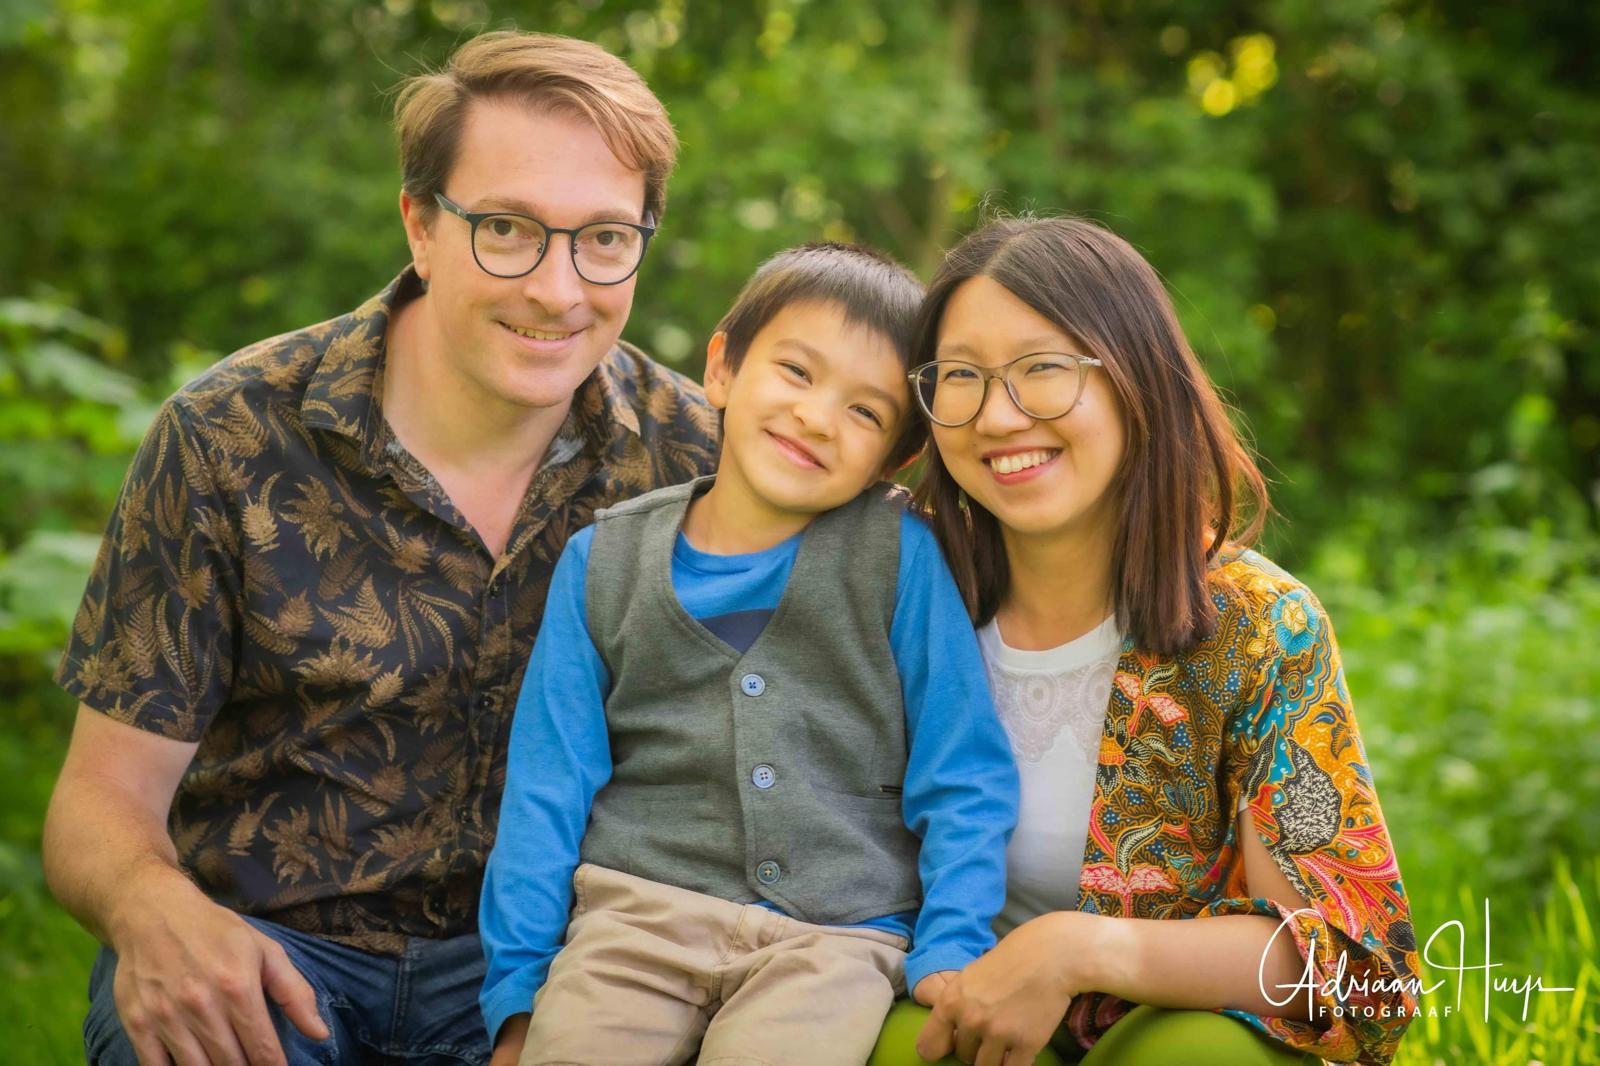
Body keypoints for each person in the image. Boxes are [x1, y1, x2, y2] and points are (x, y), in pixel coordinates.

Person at [44, 31, 718, 1066]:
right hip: (268, 951)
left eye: (605, 238)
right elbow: (102, 800)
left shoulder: (697, 463)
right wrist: (149, 907)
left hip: (558, 968)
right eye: (507, 229)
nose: (557, 287)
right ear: (420, 224)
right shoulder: (228, 436)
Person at [869, 217, 1420, 1066]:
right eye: (960, 378)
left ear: (1138, 379)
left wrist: (1080, 949)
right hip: (956, 1011)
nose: (998, 415)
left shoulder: (1257, 623)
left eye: (1043, 369)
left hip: (1166, 1033)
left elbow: (1348, 968)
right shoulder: (895, 586)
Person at [479, 243, 1020, 1066]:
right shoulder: (605, 561)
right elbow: (548, 789)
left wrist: (950, 944)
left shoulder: (899, 557)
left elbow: (964, 772)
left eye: (865, 412)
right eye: (797, 373)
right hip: (631, 923)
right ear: (723, 368)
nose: (816, 417)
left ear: (897, 457)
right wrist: (518, 991)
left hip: (834, 939)